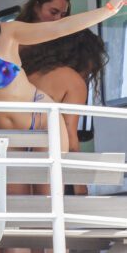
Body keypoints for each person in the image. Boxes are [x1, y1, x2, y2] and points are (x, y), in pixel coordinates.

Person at [0, 0, 126, 253]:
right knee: (16, 216)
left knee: (47, 211)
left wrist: (107, 11)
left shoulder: (7, 33)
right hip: (6, 139)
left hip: (42, 124)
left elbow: (58, 28)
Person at [20, 30, 108, 190]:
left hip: (14, 157)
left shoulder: (27, 71)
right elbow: (69, 137)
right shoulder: (73, 82)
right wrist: (80, 186)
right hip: (46, 164)